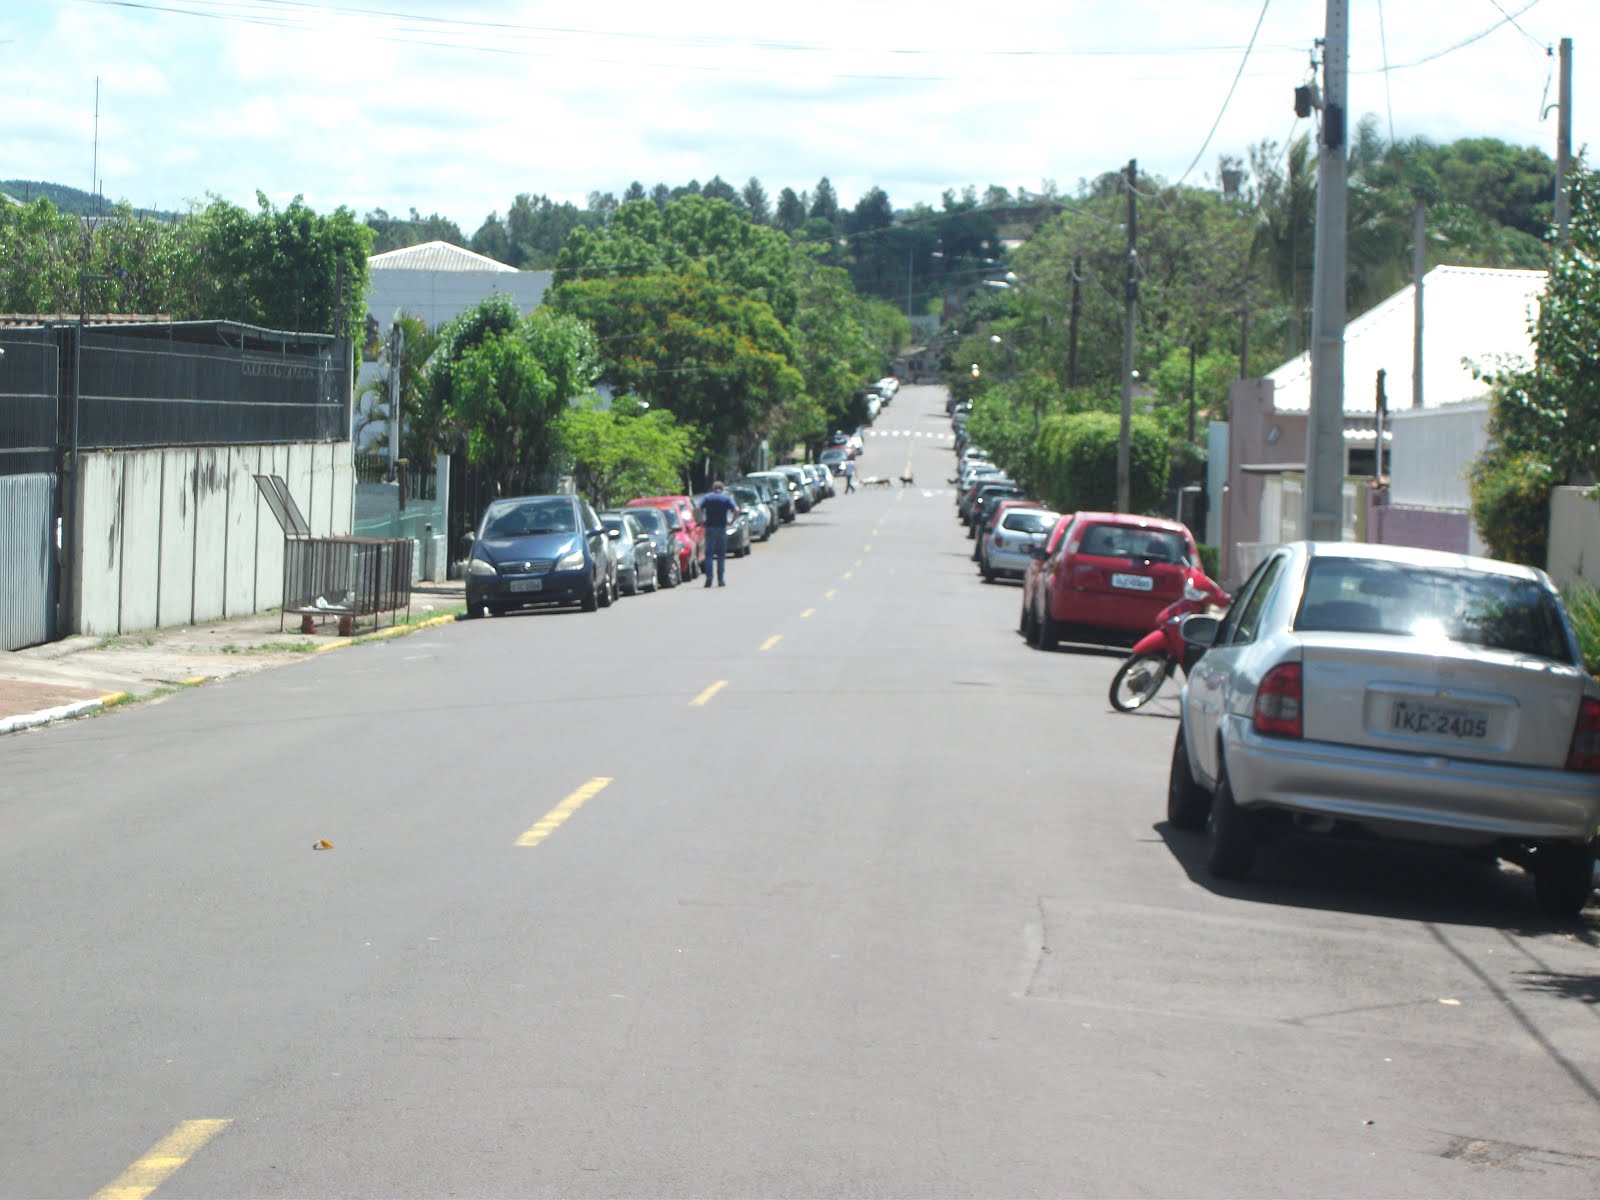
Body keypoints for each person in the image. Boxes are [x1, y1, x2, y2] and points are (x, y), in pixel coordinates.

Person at [697, 481, 740, 587]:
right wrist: (732, 521)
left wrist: (701, 521)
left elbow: (697, 508)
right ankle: (720, 579)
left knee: (709, 554)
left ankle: (709, 578)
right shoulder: (726, 498)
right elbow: (736, 509)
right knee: (721, 555)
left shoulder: (707, 498)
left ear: (713, 488)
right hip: (721, 528)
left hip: (710, 527)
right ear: (722, 489)